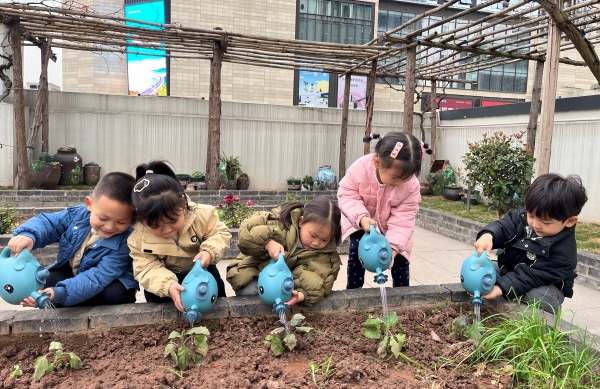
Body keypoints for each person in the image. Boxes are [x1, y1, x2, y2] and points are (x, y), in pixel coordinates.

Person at [8, 172, 139, 307]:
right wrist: (28, 235)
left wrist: (60, 293)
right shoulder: (77, 216)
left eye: (121, 222)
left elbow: (98, 277)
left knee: (114, 294)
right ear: (89, 204)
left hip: (108, 282)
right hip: (73, 272)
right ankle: (62, 298)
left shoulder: (127, 240)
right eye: (103, 218)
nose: (110, 226)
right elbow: (49, 223)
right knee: (43, 283)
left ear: (132, 218)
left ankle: (67, 299)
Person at [474, 173, 588, 313]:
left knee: (538, 297)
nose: (535, 224)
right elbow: (504, 226)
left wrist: (500, 288)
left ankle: (539, 321)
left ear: (570, 221)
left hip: (542, 286)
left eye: (545, 222)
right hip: (507, 270)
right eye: (531, 215)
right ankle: (500, 299)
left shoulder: (564, 255)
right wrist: (489, 234)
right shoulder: (523, 218)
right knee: (479, 270)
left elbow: (531, 276)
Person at [128, 161, 231, 312]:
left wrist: (210, 251)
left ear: (182, 202)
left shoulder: (203, 214)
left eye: (173, 220)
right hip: (164, 277)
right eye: (156, 226)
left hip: (202, 270)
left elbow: (220, 233)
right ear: (142, 219)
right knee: (162, 306)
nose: (167, 230)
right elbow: (146, 267)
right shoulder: (139, 237)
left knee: (216, 302)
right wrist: (167, 285)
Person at [338, 132, 432, 289]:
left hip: (392, 227)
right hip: (361, 221)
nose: (399, 183)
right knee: (357, 253)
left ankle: (402, 296)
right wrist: (361, 218)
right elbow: (347, 195)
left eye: (406, 178)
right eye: (395, 177)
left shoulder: (411, 186)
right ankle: (353, 294)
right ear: (377, 163)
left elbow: (404, 219)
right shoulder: (360, 168)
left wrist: (394, 248)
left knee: (401, 259)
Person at [226, 197, 342, 307]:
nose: (316, 243)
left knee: (284, 297)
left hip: (287, 286)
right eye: (313, 235)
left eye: (324, 240)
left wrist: (302, 295)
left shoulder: (326, 255)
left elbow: (318, 280)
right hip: (255, 271)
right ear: (301, 222)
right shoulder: (280, 223)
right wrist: (268, 243)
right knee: (250, 291)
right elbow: (247, 233)